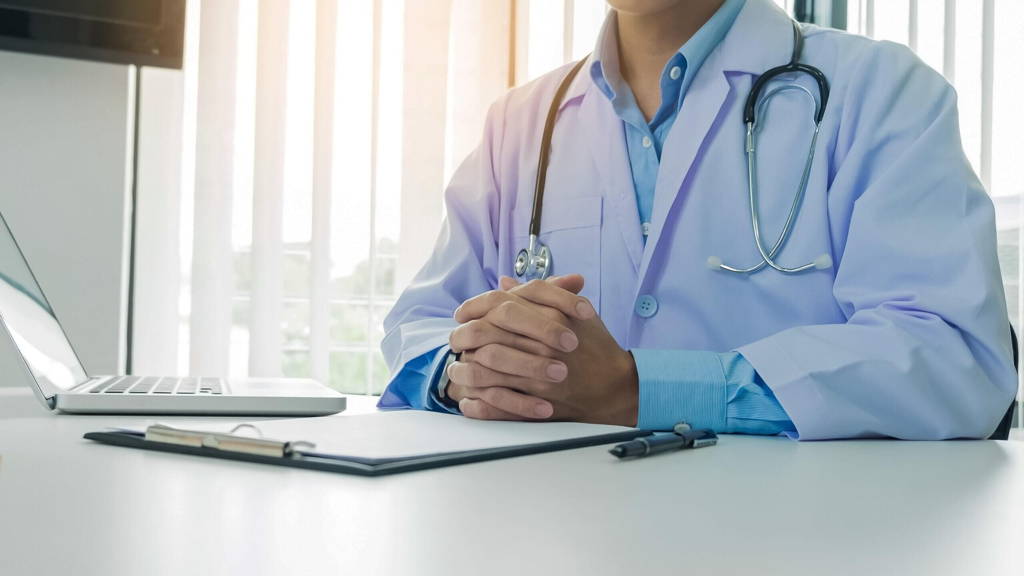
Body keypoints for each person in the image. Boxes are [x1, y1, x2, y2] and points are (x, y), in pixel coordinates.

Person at [377, 0, 1017, 440]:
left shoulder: (880, 90)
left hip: (800, 538)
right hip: (568, 532)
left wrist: (640, 389)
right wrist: (467, 374)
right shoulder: (523, 121)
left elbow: (951, 355)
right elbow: (423, 324)